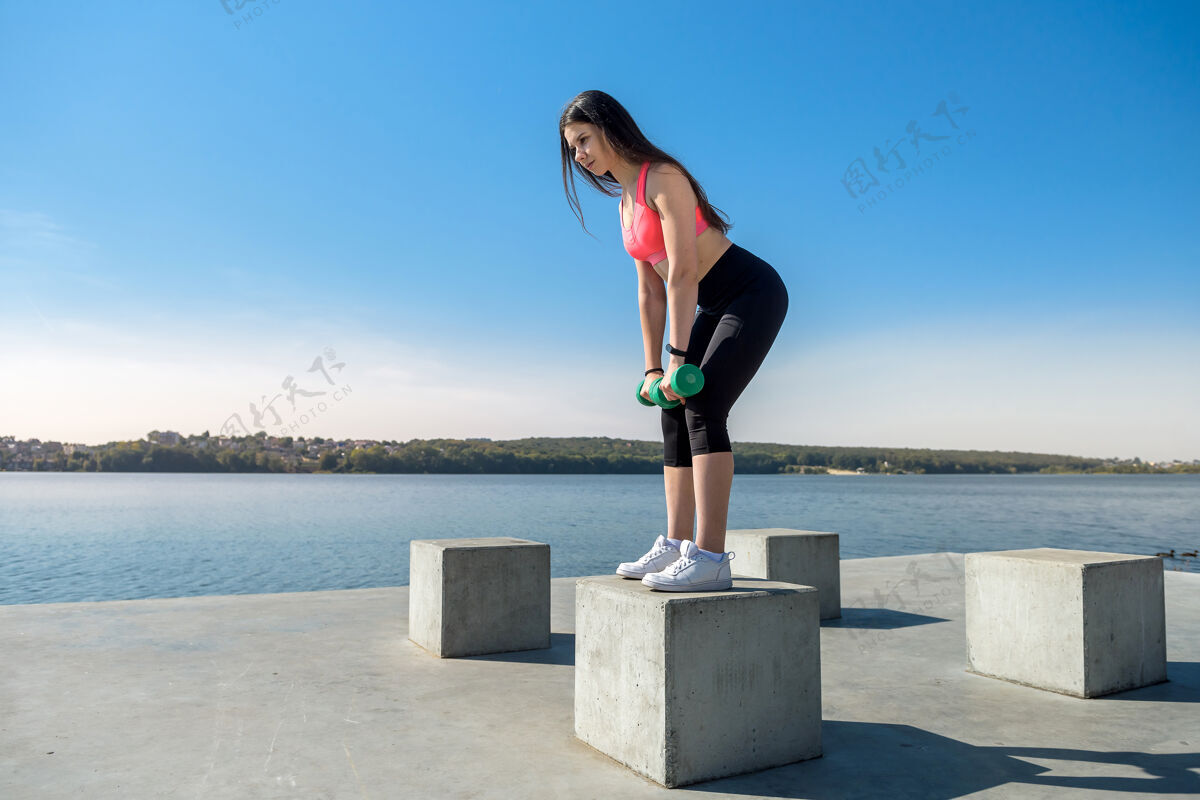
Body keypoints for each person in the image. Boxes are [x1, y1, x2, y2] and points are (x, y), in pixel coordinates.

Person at [560, 90, 788, 592]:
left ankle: (710, 557)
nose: (579, 155)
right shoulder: (624, 204)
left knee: (703, 401)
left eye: (583, 140)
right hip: (707, 303)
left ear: (608, 128)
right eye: (572, 148)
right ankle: (676, 544)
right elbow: (650, 293)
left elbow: (682, 273)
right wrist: (652, 371)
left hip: (750, 291)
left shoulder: (662, 178)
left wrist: (677, 358)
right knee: (672, 408)